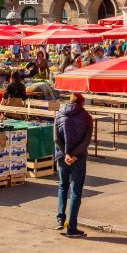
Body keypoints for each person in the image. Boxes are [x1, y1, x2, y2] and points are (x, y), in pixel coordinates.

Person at [54, 92, 93, 238]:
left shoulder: (59, 114)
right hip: (79, 158)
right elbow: (86, 141)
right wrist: (74, 155)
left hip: (62, 157)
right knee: (76, 191)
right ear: (82, 103)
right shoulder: (87, 117)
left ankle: (60, 219)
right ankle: (72, 227)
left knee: (63, 186)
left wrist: (66, 154)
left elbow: (56, 138)